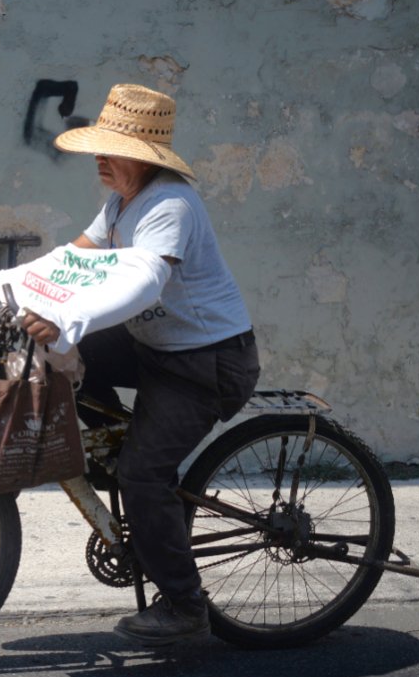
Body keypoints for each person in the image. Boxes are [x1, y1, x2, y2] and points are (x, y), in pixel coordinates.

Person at [21, 83, 261, 645]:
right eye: (98, 147)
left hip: (205, 364)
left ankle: (185, 607)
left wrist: (67, 318)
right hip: (155, 348)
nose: (99, 158)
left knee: (142, 475)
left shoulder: (170, 206)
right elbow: (72, 256)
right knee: (67, 362)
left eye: (111, 148)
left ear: (145, 156)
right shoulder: (120, 201)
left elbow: (142, 284)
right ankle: (128, 458)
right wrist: (6, 286)